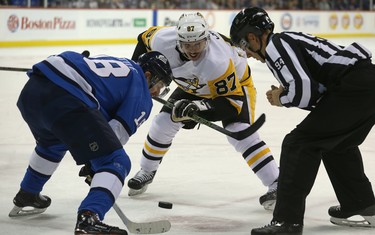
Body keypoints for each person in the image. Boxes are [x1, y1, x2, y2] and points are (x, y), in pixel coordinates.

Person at [230, 7, 375, 235]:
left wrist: (281, 98)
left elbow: (304, 91)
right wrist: (287, 95)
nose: (246, 54)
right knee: (336, 144)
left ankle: (287, 221)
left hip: (354, 86)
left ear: (252, 37)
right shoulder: (283, 44)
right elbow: (316, 93)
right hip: (365, 85)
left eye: (244, 46)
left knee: (298, 144)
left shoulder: (276, 44)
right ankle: (361, 202)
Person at [127, 12, 280, 210]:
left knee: (239, 131)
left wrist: (198, 111)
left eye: (198, 44)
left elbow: (231, 106)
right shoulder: (163, 40)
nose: (193, 50)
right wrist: (139, 79)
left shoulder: (217, 61)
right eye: (187, 45)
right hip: (193, 84)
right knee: (163, 122)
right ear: (178, 40)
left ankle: (277, 182)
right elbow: (143, 39)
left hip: (235, 89)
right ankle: (146, 171)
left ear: (206, 40)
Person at [9, 50, 173, 235]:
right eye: (160, 84)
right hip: (66, 96)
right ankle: (89, 218)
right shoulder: (141, 88)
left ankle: (28, 193)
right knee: (115, 161)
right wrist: (96, 163)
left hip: (32, 91)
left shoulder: (117, 61)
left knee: (52, 143)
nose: (158, 92)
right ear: (148, 75)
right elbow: (115, 134)